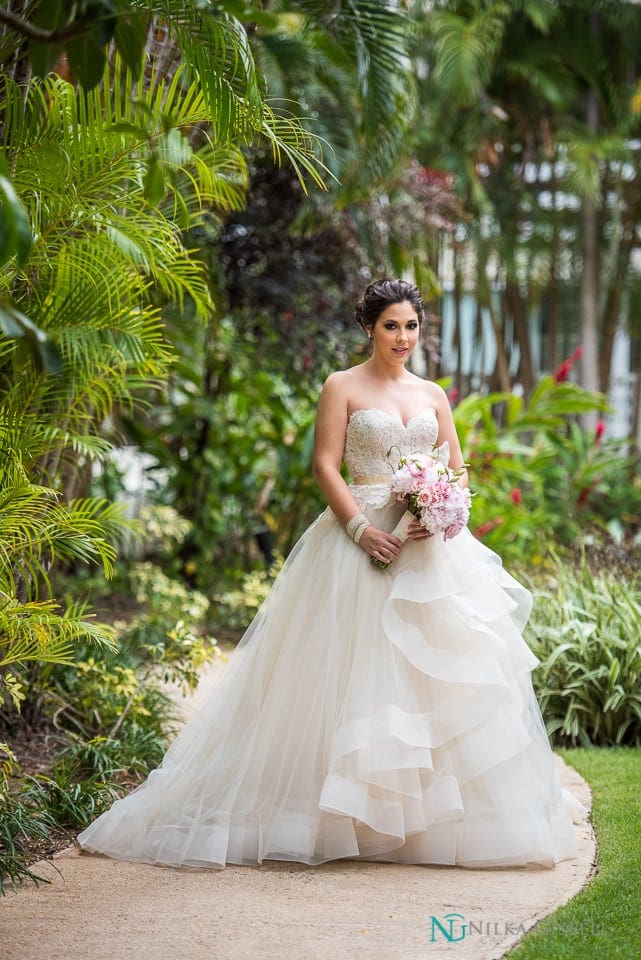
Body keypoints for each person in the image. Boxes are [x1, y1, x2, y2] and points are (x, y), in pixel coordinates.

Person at [78, 278, 587, 870]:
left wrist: (438, 510)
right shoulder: (341, 385)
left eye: (412, 326)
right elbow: (325, 464)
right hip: (357, 540)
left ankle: (431, 825)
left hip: (427, 548)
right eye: (392, 325)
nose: (403, 337)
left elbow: (456, 466)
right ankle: (332, 816)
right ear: (369, 327)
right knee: (346, 674)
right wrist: (361, 530)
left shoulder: (433, 394)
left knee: (436, 677)